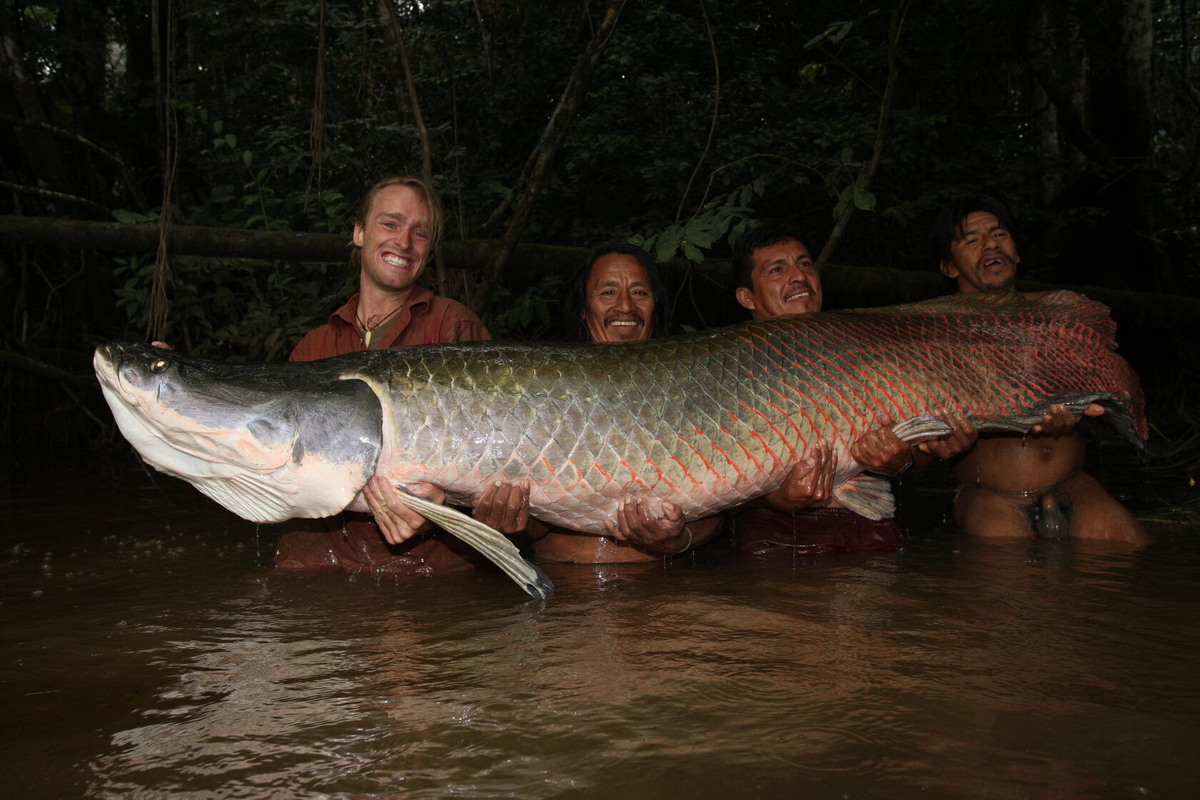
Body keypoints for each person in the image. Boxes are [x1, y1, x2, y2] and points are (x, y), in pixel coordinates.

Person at [365, 241, 725, 563]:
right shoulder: (536, 394)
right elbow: (538, 523)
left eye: (641, 293)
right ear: (584, 310)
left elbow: (724, 501)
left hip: (663, 596)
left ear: (656, 306)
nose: (625, 306)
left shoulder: (694, 389)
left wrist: (679, 539)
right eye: (608, 292)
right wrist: (513, 521)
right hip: (563, 598)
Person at [273, 175, 494, 575]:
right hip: (318, 571)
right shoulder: (313, 348)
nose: (404, 243)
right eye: (390, 224)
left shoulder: (452, 328)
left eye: (420, 233)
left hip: (430, 576)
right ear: (359, 232)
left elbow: (493, 456)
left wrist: (438, 504)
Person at [727, 222, 977, 558]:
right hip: (772, 527)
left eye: (804, 264)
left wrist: (901, 461)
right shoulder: (729, 368)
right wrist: (775, 497)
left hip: (863, 517)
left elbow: (916, 455)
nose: (799, 276)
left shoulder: (862, 349)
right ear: (747, 297)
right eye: (777, 269)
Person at [932, 195, 1148, 545]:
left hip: (1072, 482)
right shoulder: (932, 331)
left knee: (1130, 554)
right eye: (972, 240)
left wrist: (1078, 418)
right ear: (949, 267)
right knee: (1013, 583)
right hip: (991, 493)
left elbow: (1103, 409)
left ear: (1016, 252)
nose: (990, 245)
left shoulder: (1062, 315)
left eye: (1000, 235)